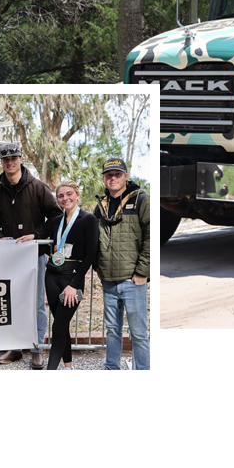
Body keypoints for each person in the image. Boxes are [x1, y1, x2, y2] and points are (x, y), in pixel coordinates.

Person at [0, 143, 61, 369]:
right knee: (9, 302)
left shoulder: (38, 187)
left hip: (34, 255)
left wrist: (36, 235)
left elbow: (56, 216)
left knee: (36, 303)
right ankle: (15, 346)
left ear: (20, 160)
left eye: (14, 158)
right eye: (6, 159)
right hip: (8, 258)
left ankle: (36, 347)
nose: (10, 162)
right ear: (2, 162)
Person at [18, 182, 98, 369]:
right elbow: (40, 234)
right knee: (61, 325)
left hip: (72, 278)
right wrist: (32, 237)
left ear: (77, 195)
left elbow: (91, 254)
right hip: (52, 276)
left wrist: (74, 284)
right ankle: (68, 367)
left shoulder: (88, 219)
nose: (65, 198)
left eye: (69, 194)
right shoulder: (55, 222)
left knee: (58, 326)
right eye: (60, 196)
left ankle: (50, 372)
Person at [93, 157, 150, 370]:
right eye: (109, 175)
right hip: (108, 281)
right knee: (112, 330)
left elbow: (151, 237)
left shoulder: (142, 200)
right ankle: (111, 368)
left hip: (133, 281)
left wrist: (142, 272)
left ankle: (143, 373)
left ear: (126, 176)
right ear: (104, 179)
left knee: (138, 333)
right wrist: (99, 268)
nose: (113, 178)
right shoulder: (100, 206)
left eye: (117, 174)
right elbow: (94, 239)